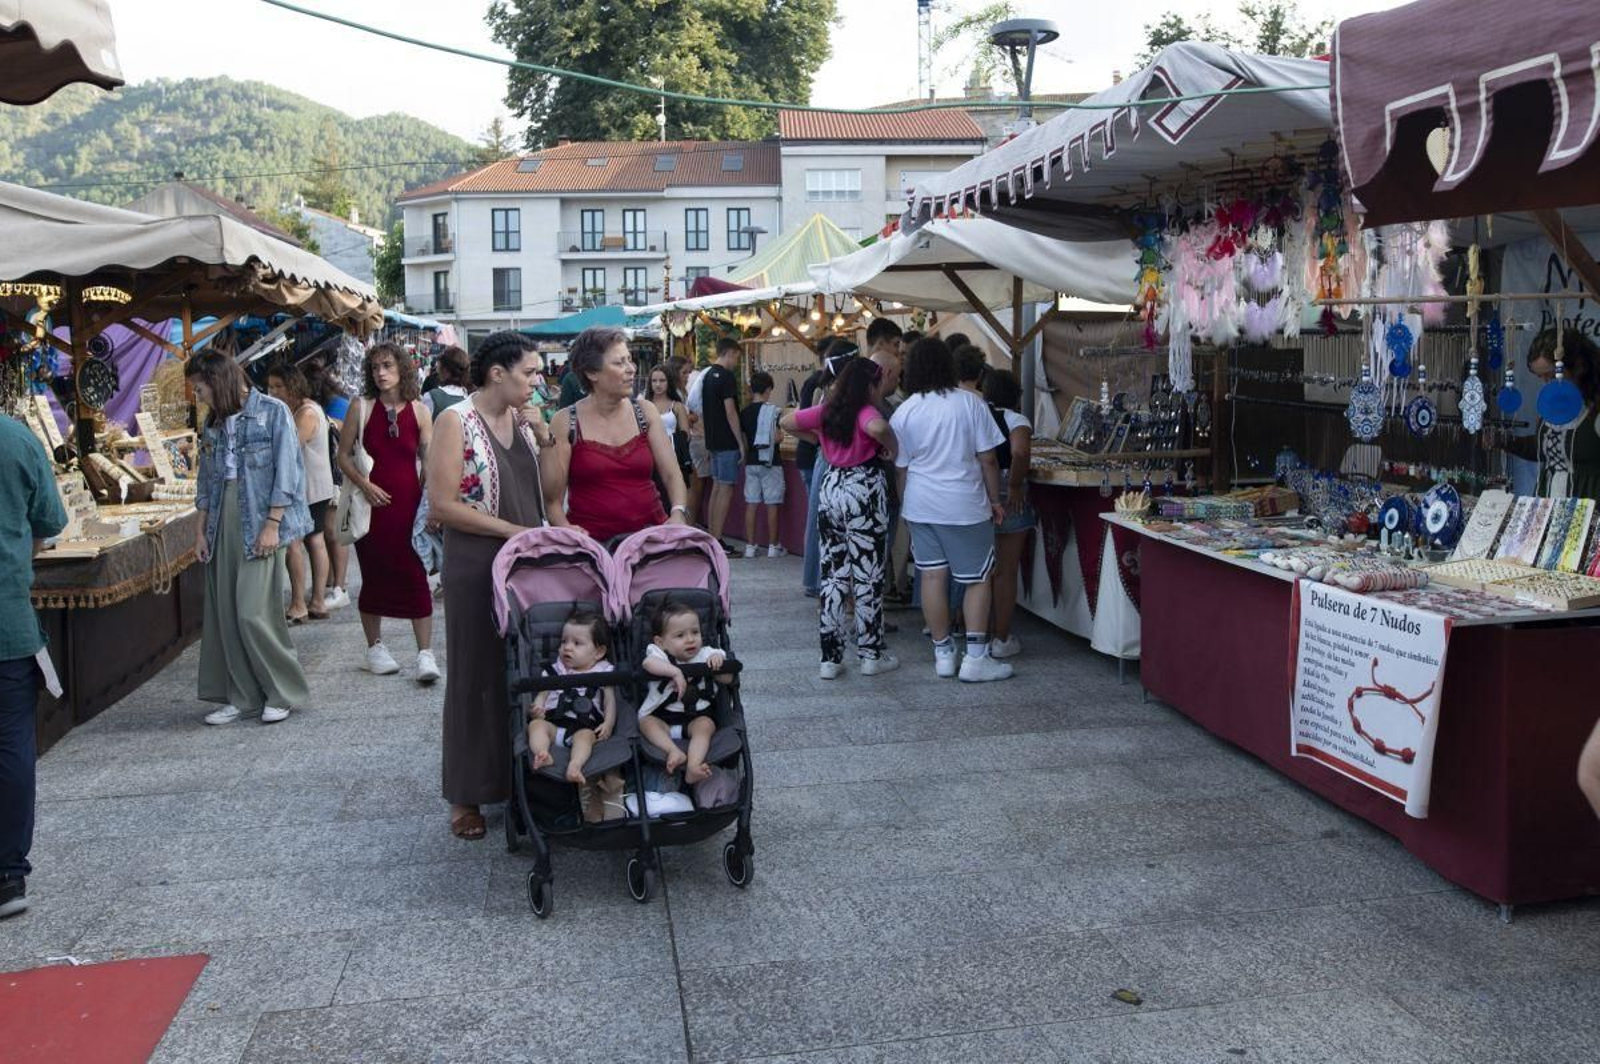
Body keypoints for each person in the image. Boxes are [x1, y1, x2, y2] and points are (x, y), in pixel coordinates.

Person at [428, 330, 549, 840]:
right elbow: (442, 505)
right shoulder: (454, 420)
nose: (538, 381)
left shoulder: (523, 421)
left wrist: (547, 435)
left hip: (526, 562)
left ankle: (522, 777)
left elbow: (546, 489)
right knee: (475, 673)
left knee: (527, 669)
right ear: (497, 374)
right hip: (477, 562)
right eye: (530, 372)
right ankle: (467, 793)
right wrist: (513, 533)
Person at [186, 352, 314, 725]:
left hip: (260, 515)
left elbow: (288, 471)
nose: (199, 394)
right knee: (225, 611)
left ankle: (281, 691)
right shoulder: (214, 422)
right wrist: (200, 530)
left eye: (201, 386)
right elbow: (206, 480)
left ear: (217, 379)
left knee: (253, 611)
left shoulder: (273, 412)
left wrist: (273, 524)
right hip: (223, 515)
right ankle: (242, 696)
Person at [891, 337, 1013, 683]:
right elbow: (988, 459)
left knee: (931, 576)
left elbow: (901, 468)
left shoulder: (906, 409)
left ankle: (943, 653)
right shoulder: (970, 404)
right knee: (976, 579)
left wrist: (906, 504)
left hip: (921, 504)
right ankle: (976, 658)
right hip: (964, 505)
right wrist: (995, 500)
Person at [784, 357, 899, 678]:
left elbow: (788, 422)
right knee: (868, 574)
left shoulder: (829, 410)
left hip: (832, 486)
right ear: (870, 385)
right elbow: (878, 427)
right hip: (864, 489)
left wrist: (821, 440)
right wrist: (891, 447)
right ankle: (871, 653)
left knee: (833, 574)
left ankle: (830, 658)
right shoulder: (865, 411)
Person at [336, 342, 438, 684]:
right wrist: (364, 485)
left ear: (402, 369)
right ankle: (374, 648)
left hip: (409, 507)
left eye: (388, 366)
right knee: (374, 575)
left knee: (416, 575)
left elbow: (431, 459)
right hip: (371, 509)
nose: (381, 373)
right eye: (376, 367)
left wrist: (431, 499)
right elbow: (343, 455)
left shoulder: (420, 410)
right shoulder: (361, 407)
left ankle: (425, 653)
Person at [0, 413, 67, 919]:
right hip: (8, 619)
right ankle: (8, 874)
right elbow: (49, 522)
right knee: (11, 744)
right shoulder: (17, 437)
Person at [543, 327, 689, 541]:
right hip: (592, 546)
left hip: (649, 541)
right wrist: (566, 528)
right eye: (619, 363)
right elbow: (553, 499)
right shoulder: (566, 422)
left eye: (629, 360)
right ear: (592, 373)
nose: (631, 369)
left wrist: (677, 512)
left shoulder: (645, 412)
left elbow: (671, 474)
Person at [1495, 329, 1600, 498]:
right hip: (1549, 505)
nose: (1545, 383)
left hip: (1589, 508)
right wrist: (1504, 441)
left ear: (1579, 367)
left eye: (1551, 375)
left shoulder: (1594, 411)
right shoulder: (1551, 406)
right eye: (1540, 377)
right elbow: (1544, 449)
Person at [266, 364, 333, 624]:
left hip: (309, 488)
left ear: (293, 386)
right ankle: (315, 601)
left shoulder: (305, 413)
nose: (272, 392)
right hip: (314, 486)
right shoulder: (303, 409)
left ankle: (301, 604)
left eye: (278, 386)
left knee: (299, 542)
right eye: (270, 386)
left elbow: (288, 447)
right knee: (313, 541)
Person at [638, 598, 729, 784]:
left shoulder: (707, 654)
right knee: (645, 722)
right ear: (660, 641)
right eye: (680, 636)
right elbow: (648, 664)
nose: (690, 639)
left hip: (696, 716)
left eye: (695, 632)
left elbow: (727, 679)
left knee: (706, 726)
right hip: (663, 716)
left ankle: (693, 767)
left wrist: (719, 665)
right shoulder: (658, 654)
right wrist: (675, 672)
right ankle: (673, 750)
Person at [527, 608, 616, 786]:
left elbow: (610, 701)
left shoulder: (603, 672)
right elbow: (542, 695)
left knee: (585, 738)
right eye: (564, 641)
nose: (567, 647)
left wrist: (608, 723)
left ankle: (575, 766)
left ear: (598, 652)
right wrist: (537, 709)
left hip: (583, 726)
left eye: (577, 643)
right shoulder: (554, 671)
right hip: (553, 723)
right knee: (535, 726)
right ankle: (543, 753)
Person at [983, 368, 1034, 660]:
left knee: (980, 570)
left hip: (977, 496)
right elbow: (1020, 453)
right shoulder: (1016, 420)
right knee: (1005, 571)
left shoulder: (977, 414)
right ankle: (1001, 637)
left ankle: (973, 629)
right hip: (1007, 496)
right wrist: (1014, 484)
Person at [305, 359, 352, 611]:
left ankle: (340, 586)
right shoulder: (328, 404)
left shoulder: (337, 405)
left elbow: (339, 434)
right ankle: (333, 581)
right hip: (328, 475)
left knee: (333, 532)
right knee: (327, 532)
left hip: (336, 475)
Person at [700, 338, 747, 552]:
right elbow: (730, 411)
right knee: (725, 489)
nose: (736, 362)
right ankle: (717, 539)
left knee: (717, 487)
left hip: (713, 440)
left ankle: (712, 536)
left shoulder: (707, 376)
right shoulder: (726, 377)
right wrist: (740, 441)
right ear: (729, 353)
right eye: (737, 357)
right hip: (727, 441)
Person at [740, 371, 786, 557]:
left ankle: (750, 546)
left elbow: (744, 439)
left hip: (751, 462)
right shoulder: (773, 411)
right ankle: (774, 546)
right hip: (771, 462)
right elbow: (777, 437)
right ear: (768, 389)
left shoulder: (744, 413)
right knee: (771, 504)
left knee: (751, 503)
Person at [647, 360, 693, 501]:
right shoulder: (643, 404)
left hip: (673, 457)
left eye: (662, 380)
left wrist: (672, 440)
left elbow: (686, 434)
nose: (658, 384)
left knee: (672, 498)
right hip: (649, 458)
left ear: (668, 383)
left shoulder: (677, 406)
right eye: (654, 381)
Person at [422, 345, 471, 417]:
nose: (437, 371)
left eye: (439, 367)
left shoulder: (432, 396)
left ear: (445, 371)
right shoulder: (470, 398)